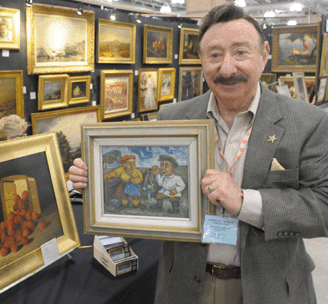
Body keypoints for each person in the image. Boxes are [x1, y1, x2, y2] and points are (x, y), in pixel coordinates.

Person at [69, 4, 328, 303]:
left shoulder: (308, 122)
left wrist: (245, 201)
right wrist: (95, 181)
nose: (227, 68)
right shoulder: (173, 118)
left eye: (240, 52)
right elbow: (142, 194)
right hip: (186, 286)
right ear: (201, 60)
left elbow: (323, 207)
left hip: (269, 289)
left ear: (265, 53)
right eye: (214, 55)